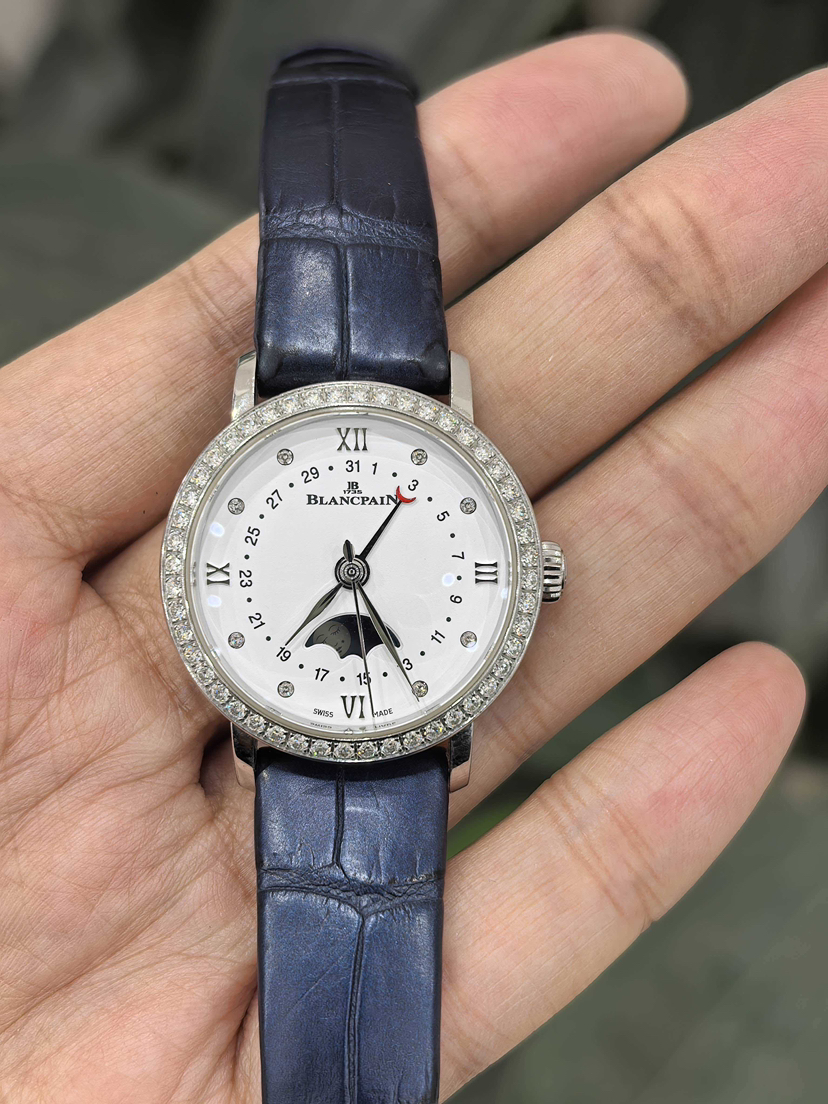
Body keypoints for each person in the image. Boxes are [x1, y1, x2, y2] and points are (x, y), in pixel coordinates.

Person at [0, 30, 822, 1100]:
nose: (353, 572)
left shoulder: (397, 523)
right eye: (347, 565)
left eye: (360, 563)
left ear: (529, 571)